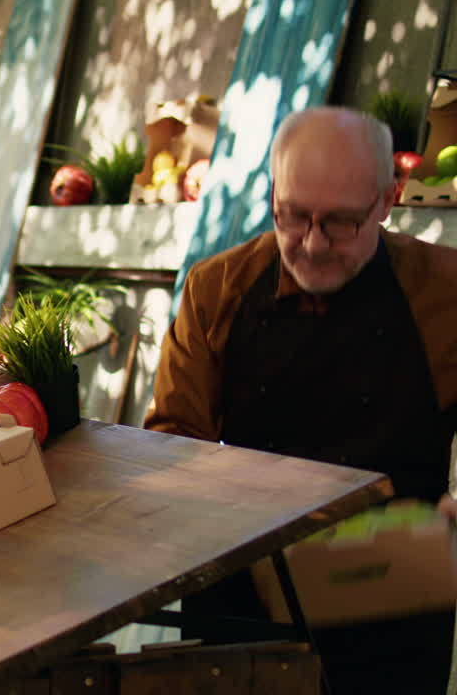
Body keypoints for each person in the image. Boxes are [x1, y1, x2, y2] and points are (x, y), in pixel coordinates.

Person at [145, 106, 457, 693]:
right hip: (242, 611)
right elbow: (170, 444)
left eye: (340, 223)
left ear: (388, 201)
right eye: (293, 217)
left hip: (394, 608)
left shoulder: (447, 291)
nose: (312, 245)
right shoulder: (217, 289)